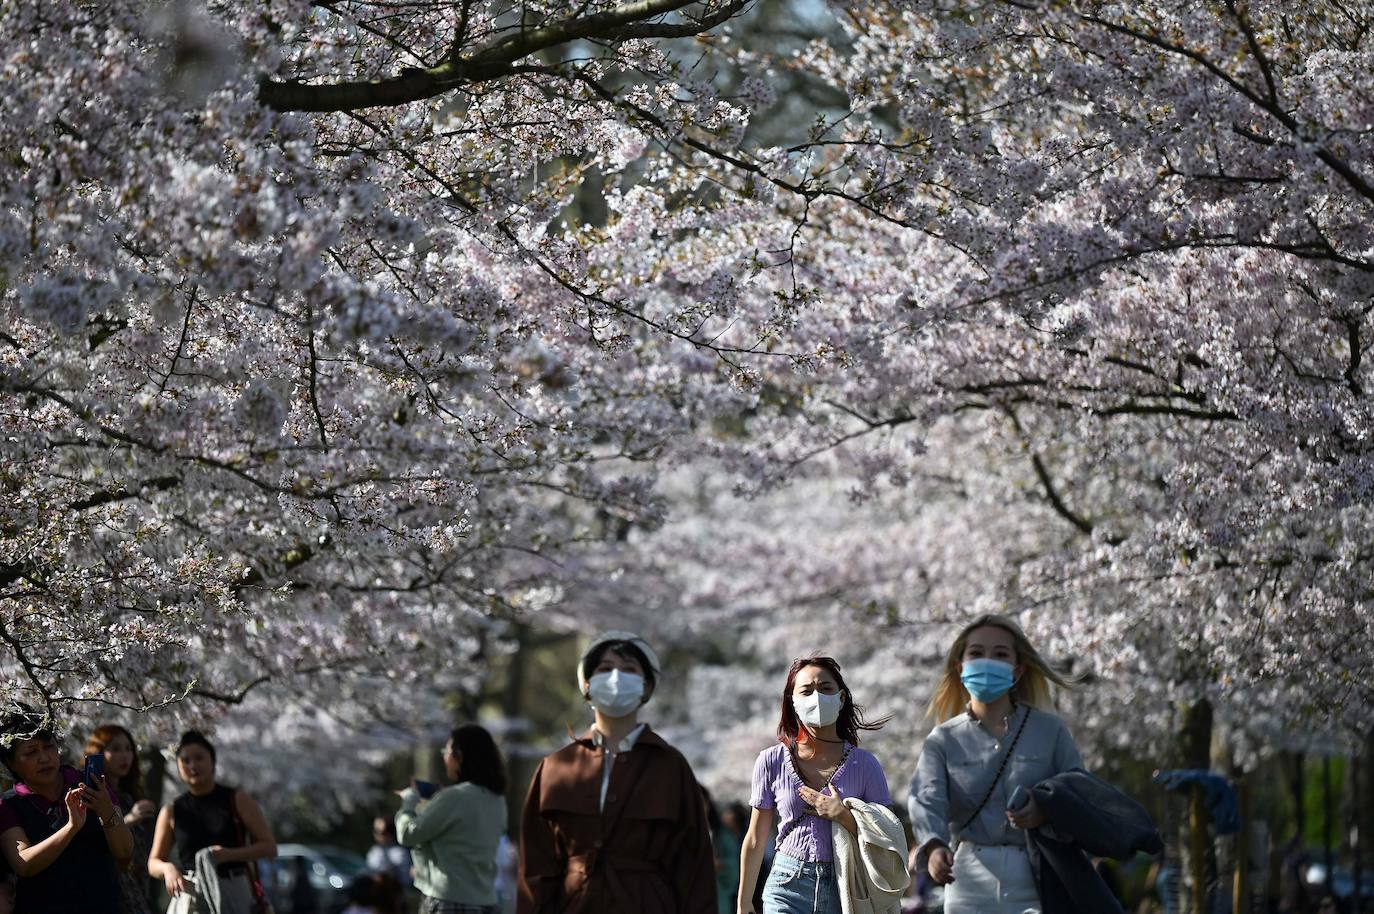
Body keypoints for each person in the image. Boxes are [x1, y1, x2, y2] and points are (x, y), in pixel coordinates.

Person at [517, 630, 716, 914]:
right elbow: (535, 867)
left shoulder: (671, 767)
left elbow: (694, 867)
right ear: (587, 684)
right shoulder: (555, 767)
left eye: (629, 670)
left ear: (646, 687)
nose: (616, 678)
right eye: (605, 669)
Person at [908, 613, 1082, 914]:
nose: (987, 661)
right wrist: (934, 846)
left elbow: (1079, 791)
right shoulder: (943, 740)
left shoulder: (1050, 731)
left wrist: (1045, 808)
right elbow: (926, 799)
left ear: (1017, 670)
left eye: (1000, 654)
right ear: (960, 667)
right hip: (967, 879)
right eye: (976, 653)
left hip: (1036, 875)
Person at [736, 655, 894, 914]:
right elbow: (755, 838)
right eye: (806, 691)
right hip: (786, 884)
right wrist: (744, 902)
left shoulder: (865, 764)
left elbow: (886, 834)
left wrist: (843, 816)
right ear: (793, 701)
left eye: (826, 689)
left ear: (841, 699)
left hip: (845, 887)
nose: (817, 697)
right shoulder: (770, 760)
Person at [0, 710, 133, 914]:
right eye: (31, 752)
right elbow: (24, 863)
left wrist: (106, 811)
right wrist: (71, 828)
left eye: (49, 747)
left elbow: (124, 854)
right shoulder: (10, 804)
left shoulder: (89, 785)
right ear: (11, 763)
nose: (44, 758)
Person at [147, 730, 278, 914]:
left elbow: (269, 847)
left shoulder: (237, 799)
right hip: (191, 892)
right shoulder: (171, 810)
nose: (193, 765)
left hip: (233, 888)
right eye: (185, 760)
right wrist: (168, 869)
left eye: (199, 758)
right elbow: (153, 862)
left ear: (212, 761)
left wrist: (228, 854)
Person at [396, 723, 508, 914]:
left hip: (449, 901)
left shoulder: (454, 797)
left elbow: (408, 834)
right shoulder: (497, 799)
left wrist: (408, 802)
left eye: (446, 751)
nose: (444, 757)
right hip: (487, 902)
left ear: (460, 755)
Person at [86, 725, 158, 914]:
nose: (125, 755)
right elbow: (91, 838)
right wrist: (130, 819)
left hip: (138, 882)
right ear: (99, 753)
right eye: (115, 749)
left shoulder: (129, 795)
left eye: (128, 749)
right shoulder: (91, 795)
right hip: (109, 886)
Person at [368, 817, 414, 891]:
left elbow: (407, 879)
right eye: (375, 831)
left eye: (380, 832)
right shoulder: (373, 852)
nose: (376, 834)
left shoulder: (400, 852)